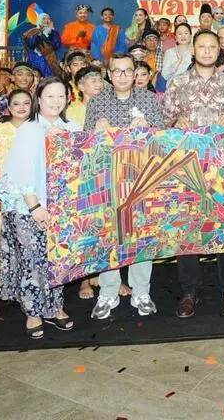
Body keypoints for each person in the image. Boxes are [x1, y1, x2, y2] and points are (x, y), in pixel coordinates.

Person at [163, 30, 224, 318]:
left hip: (223, 169)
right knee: (187, 228)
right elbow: (164, 125)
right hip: (188, 169)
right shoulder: (178, 84)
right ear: (193, 50)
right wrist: (175, 122)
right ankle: (189, 291)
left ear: (218, 50)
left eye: (212, 46)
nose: (208, 51)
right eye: (202, 46)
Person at [85, 54, 165, 319]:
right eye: (117, 71)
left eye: (127, 71)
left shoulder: (149, 99)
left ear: (135, 73)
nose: (122, 76)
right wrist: (96, 132)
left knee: (141, 234)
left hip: (141, 179)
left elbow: (163, 140)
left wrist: (148, 127)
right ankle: (108, 292)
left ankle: (141, 291)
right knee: (109, 235)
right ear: (109, 74)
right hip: (107, 180)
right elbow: (85, 146)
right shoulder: (97, 102)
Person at [0, 77, 77, 339]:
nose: (56, 101)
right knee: (31, 260)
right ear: (39, 99)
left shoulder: (71, 128)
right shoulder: (29, 130)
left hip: (60, 207)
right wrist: (35, 207)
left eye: (61, 96)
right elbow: (21, 172)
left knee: (56, 258)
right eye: (49, 96)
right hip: (27, 206)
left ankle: (54, 307)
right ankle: (33, 312)